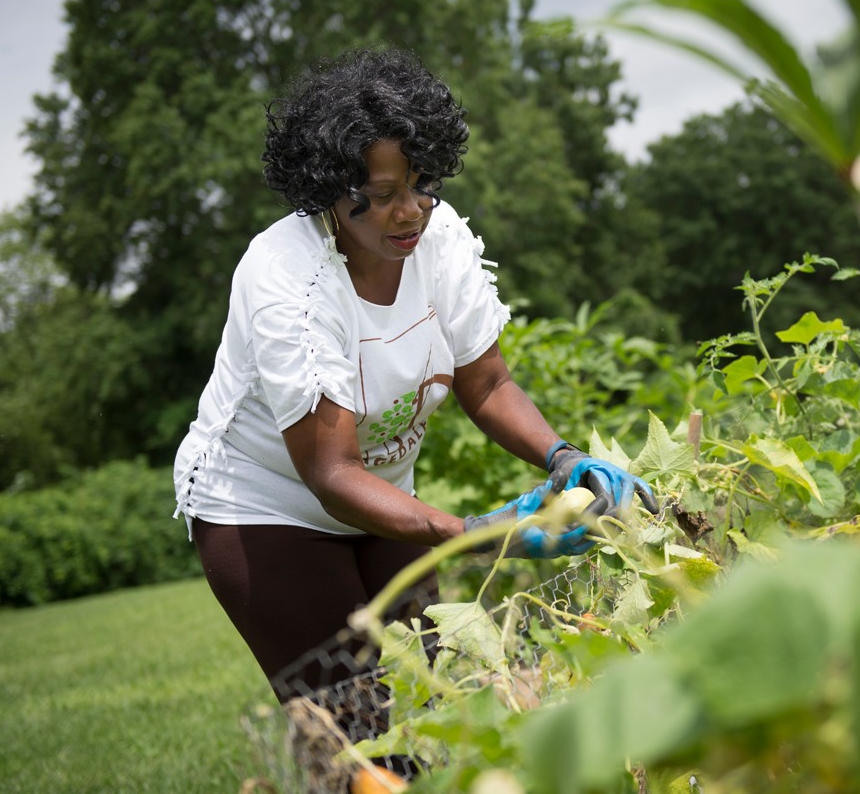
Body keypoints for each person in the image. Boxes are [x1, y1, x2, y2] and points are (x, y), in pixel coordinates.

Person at [171, 46, 654, 730]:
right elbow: (329, 469)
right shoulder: (286, 279)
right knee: (358, 729)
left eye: (421, 184)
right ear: (329, 192)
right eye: (381, 196)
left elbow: (486, 384)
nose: (410, 214)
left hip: (384, 494)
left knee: (435, 697)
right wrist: (476, 533)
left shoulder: (439, 238)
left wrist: (564, 456)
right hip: (267, 507)